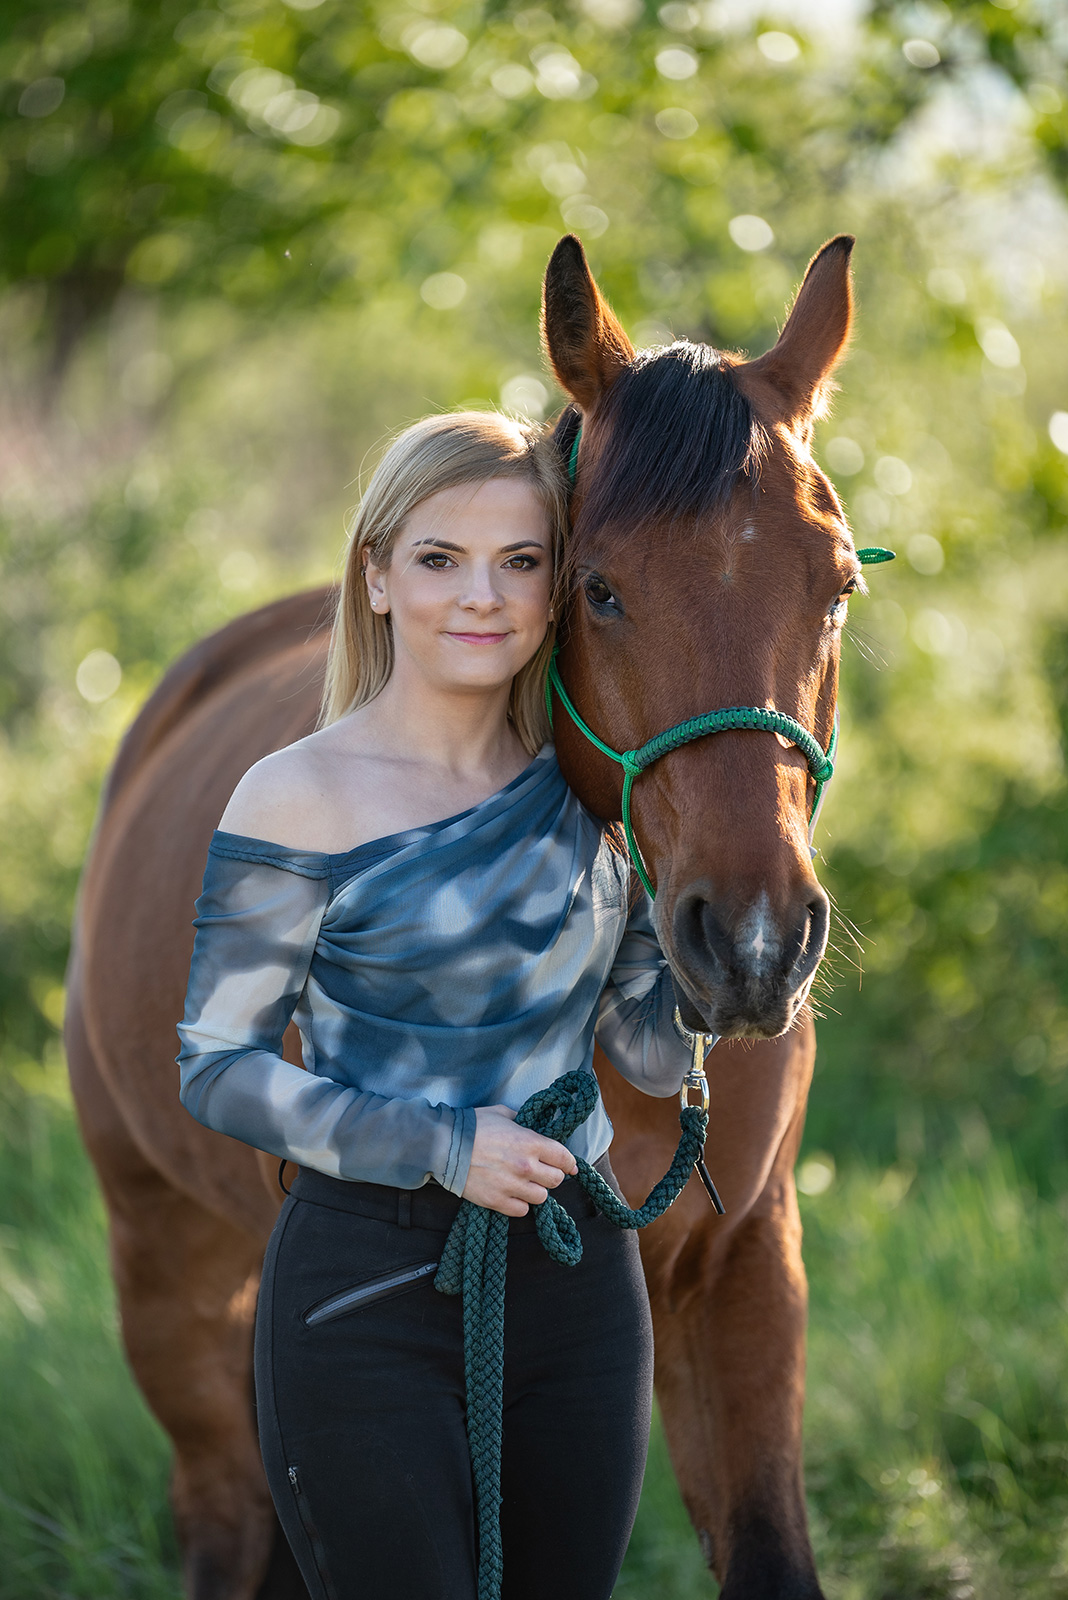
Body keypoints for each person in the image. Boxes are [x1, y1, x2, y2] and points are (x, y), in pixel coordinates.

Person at [175, 410, 693, 1600]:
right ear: (376, 575)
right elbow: (216, 1062)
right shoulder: (297, 793)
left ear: (559, 585)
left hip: (580, 1286)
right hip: (364, 1288)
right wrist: (444, 1144)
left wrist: (702, 900)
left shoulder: (588, 791)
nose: (485, 598)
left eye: (522, 561)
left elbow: (653, 1058)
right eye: (440, 559)